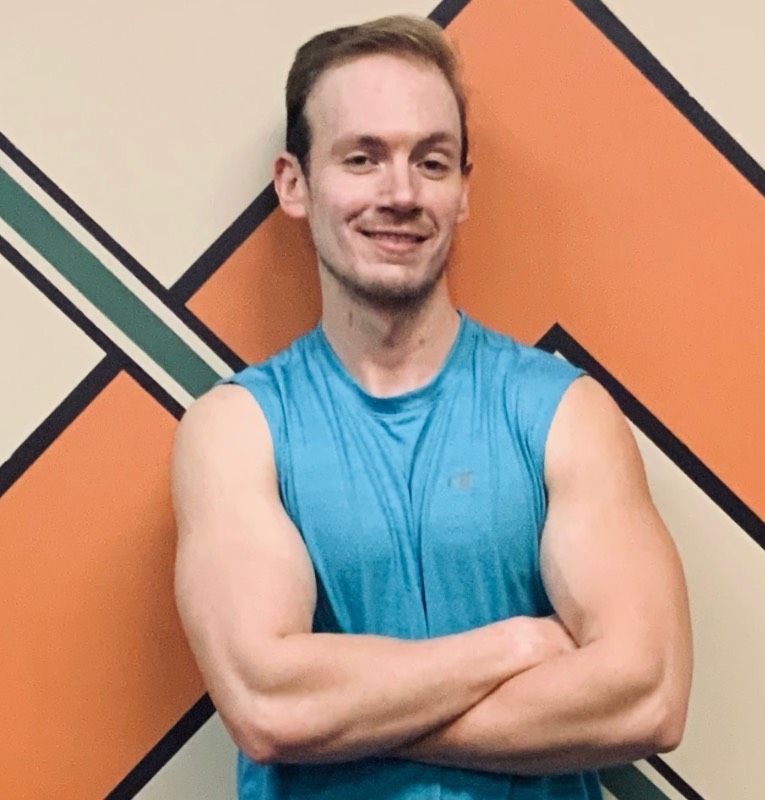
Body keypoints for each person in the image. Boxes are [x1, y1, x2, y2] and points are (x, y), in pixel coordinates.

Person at [171, 14, 692, 800]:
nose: (402, 193)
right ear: (294, 183)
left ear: (463, 190)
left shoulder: (564, 413)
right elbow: (270, 707)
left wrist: (344, 718)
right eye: (363, 158)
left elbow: (647, 697)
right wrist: (516, 646)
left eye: (432, 161)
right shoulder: (236, 430)